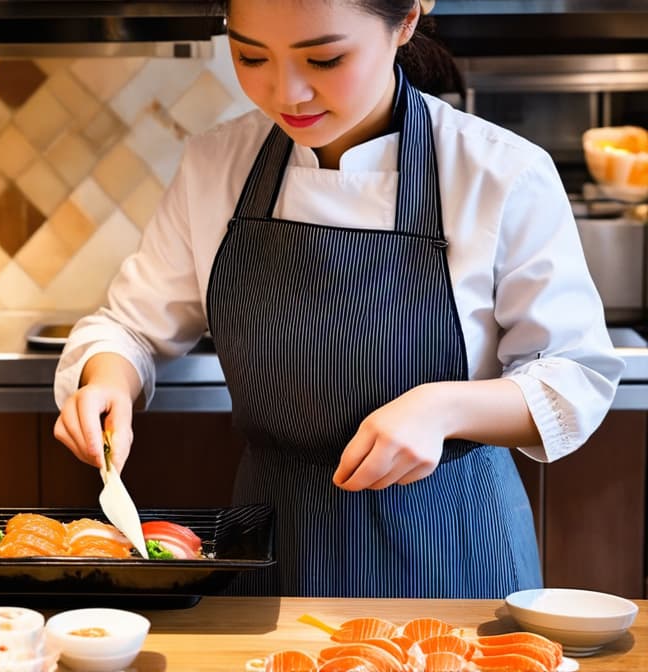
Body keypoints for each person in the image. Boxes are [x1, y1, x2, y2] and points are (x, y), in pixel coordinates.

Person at [52, 0, 624, 599]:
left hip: (454, 547)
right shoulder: (217, 165)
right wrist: (108, 379)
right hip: (271, 541)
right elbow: (130, 327)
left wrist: (443, 408)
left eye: (324, 58)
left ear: (405, 21)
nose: (287, 92)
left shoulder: (500, 172)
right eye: (250, 56)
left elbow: (573, 379)